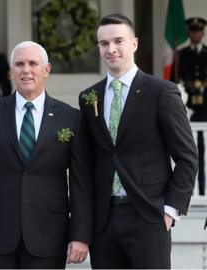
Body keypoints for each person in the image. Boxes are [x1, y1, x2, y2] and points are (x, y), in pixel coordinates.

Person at [0, 41, 93, 269]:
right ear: (11, 71)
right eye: (19, 64)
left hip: (49, 235)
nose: (26, 70)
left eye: (33, 63)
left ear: (47, 70)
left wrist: (80, 235)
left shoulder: (71, 118)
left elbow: (82, 183)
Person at [78, 13, 198, 268]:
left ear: (134, 43)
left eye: (118, 41)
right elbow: (88, 164)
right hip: (104, 222)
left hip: (149, 217)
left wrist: (170, 211)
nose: (111, 49)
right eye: (103, 43)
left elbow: (187, 157)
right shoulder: (89, 97)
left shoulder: (161, 92)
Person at [177, 17, 207, 196]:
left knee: (204, 151)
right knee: (188, 150)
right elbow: (179, 79)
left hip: (205, 108)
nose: (196, 34)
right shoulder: (182, 54)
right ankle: (189, 189)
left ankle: (203, 189)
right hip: (188, 108)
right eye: (193, 31)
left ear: (202, 33)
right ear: (189, 33)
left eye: (198, 31)